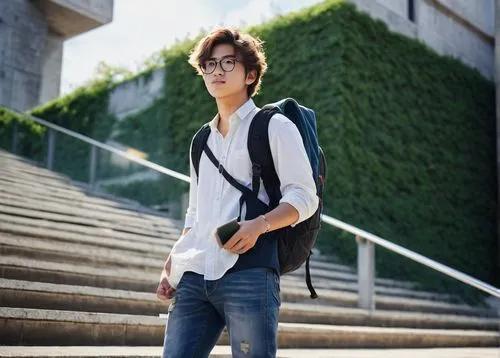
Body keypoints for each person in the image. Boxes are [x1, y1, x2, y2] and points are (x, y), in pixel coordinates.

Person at [156, 27, 319, 358]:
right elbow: (195, 212)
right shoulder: (201, 141)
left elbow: (304, 197)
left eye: (228, 62)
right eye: (209, 64)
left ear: (251, 74)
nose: (217, 71)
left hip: (250, 273)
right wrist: (173, 262)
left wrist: (259, 225)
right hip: (194, 276)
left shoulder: (274, 127)